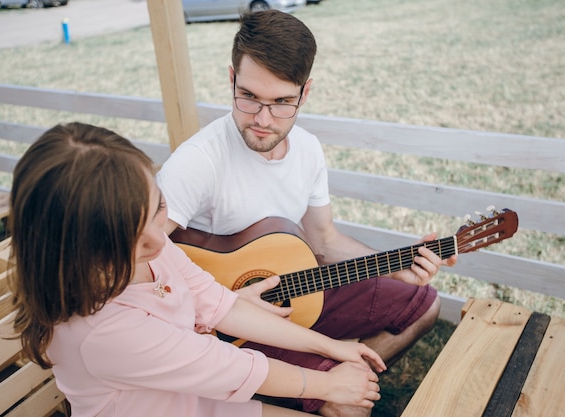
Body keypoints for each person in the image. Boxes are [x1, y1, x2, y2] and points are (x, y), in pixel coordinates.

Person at [157, 10, 457, 417]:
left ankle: (339, 381)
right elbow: (137, 261)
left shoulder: (309, 150)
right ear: (231, 79)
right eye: (248, 97)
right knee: (345, 407)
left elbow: (324, 240)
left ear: (305, 92)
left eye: (281, 102)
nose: (263, 120)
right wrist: (225, 304)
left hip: (299, 299)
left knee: (423, 304)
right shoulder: (197, 162)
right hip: (226, 332)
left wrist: (394, 267)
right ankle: (316, 392)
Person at [9, 122, 386, 417]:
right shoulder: (101, 331)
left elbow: (222, 304)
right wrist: (326, 385)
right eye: (130, 241)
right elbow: (230, 367)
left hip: (199, 404)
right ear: (78, 251)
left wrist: (331, 347)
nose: (159, 243)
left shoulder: (150, 247)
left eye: (157, 208)